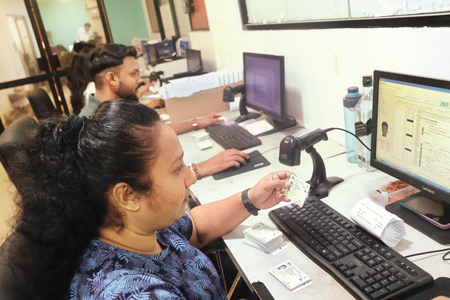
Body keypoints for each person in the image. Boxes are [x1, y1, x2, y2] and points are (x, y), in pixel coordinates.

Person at [8, 99, 292, 299]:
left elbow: (194, 226)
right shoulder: (133, 292)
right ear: (128, 195)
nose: (191, 177)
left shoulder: (131, 226)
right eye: (177, 168)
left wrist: (252, 198)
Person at [80, 43, 250, 178]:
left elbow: (151, 131)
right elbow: (145, 185)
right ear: (112, 78)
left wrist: (198, 122)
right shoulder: (99, 127)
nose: (139, 80)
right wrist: (200, 169)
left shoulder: (114, 108)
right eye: (133, 74)